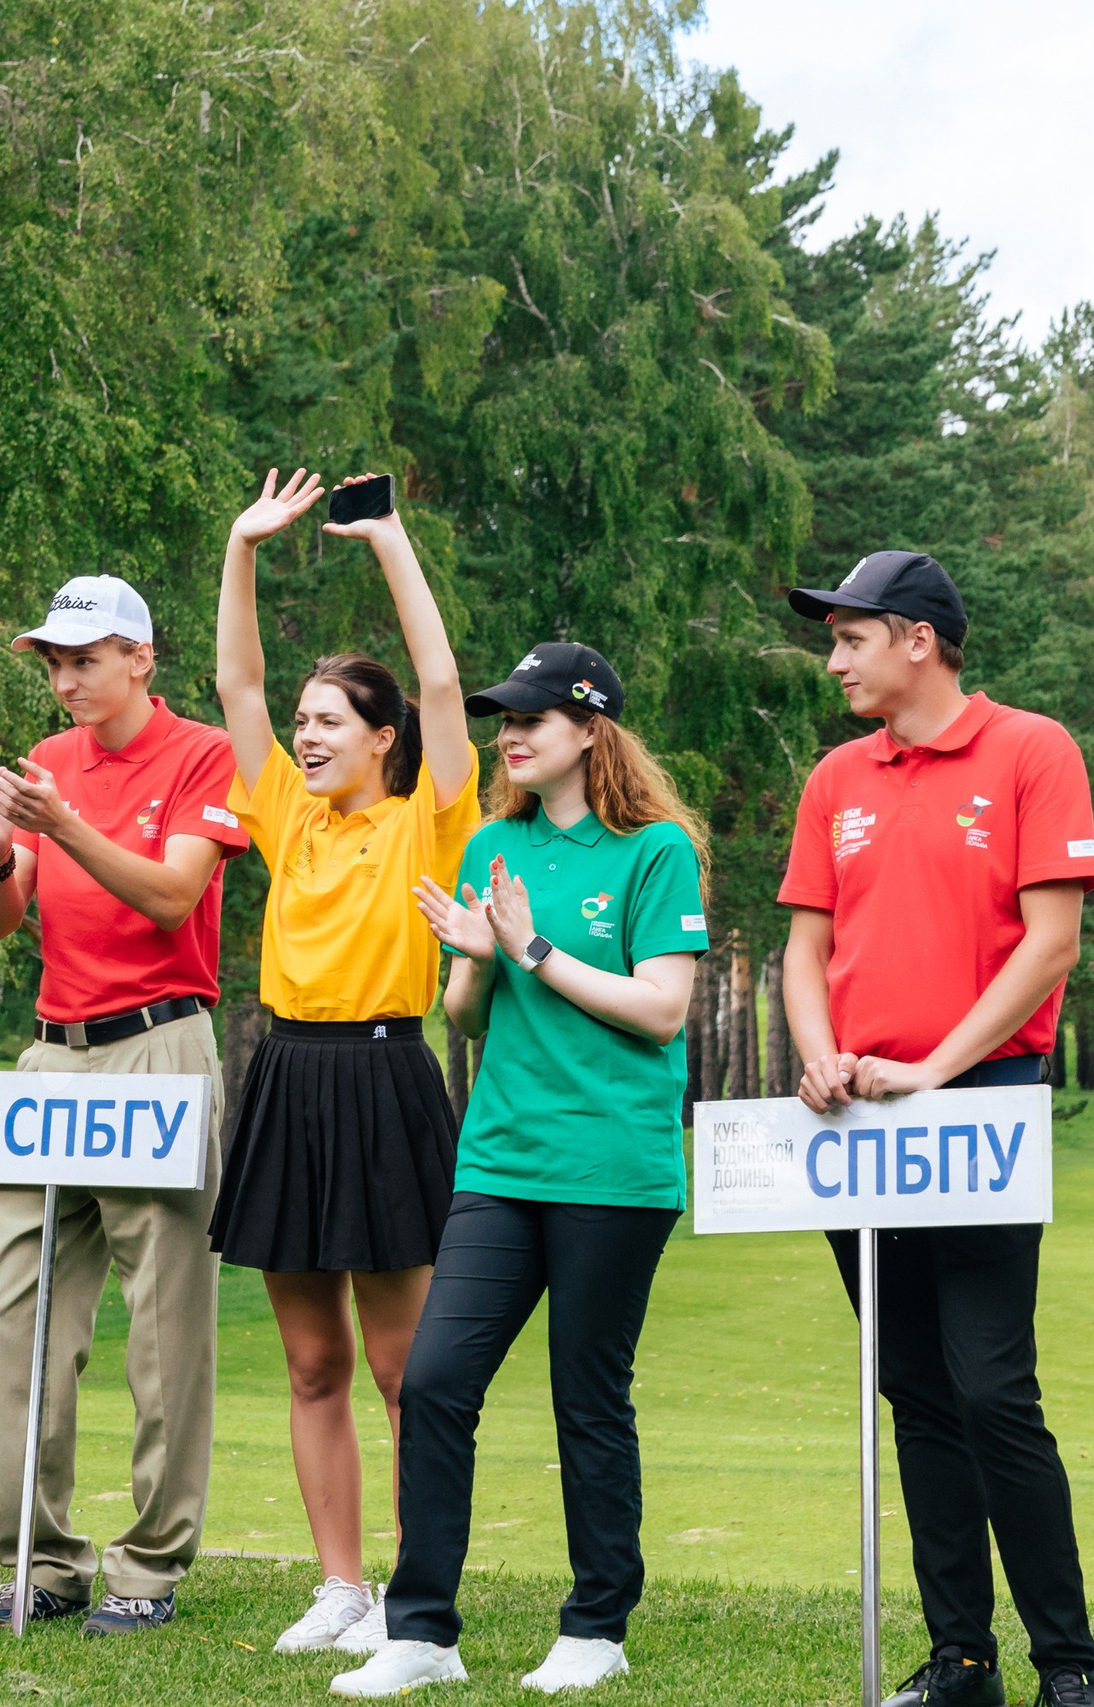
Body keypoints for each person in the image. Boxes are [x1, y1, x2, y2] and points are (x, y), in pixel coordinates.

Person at [333, 642, 708, 1699]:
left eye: (534, 716)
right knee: (437, 1380)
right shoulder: (493, 843)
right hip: (500, 1158)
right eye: (504, 715)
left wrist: (532, 950)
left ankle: (596, 1627)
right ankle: (421, 1631)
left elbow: (661, 1008)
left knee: (587, 1396)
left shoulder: (654, 851)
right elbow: (463, 1014)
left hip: (611, 1167)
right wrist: (477, 953)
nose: (512, 731)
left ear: (590, 728)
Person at [777, 552, 1094, 1707]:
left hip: (975, 1109)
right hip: (855, 1116)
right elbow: (804, 948)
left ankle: (1067, 1668)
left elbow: (1050, 944)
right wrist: (819, 1052)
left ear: (916, 638)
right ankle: (960, 1660)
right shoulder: (835, 779)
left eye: (849, 639)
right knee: (914, 1390)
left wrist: (933, 1069)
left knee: (988, 1387)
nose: (833, 661)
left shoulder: (1031, 750)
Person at [0, 573, 250, 1637]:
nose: (66, 679)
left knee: (162, 1328)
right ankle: (38, 1561)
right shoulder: (47, 766)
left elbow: (172, 897)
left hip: (157, 1047)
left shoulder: (201, 753)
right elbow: (2, 921)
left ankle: (149, 1570)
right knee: (6, 1309)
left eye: (85, 658)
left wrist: (59, 825)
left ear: (140, 661)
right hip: (51, 1056)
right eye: (55, 662)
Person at [208, 470, 478, 1655]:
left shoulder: (430, 812)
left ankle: (416, 1600)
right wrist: (240, 547)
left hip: (385, 1077)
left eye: (329, 723)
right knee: (311, 1361)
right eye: (303, 721)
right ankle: (341, 1588)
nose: (304, 736)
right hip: (286, 1077)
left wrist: (388, 542)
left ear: (381, 741)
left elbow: (439, 681)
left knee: (398, 1366)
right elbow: (236, 682)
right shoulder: (284, 811)